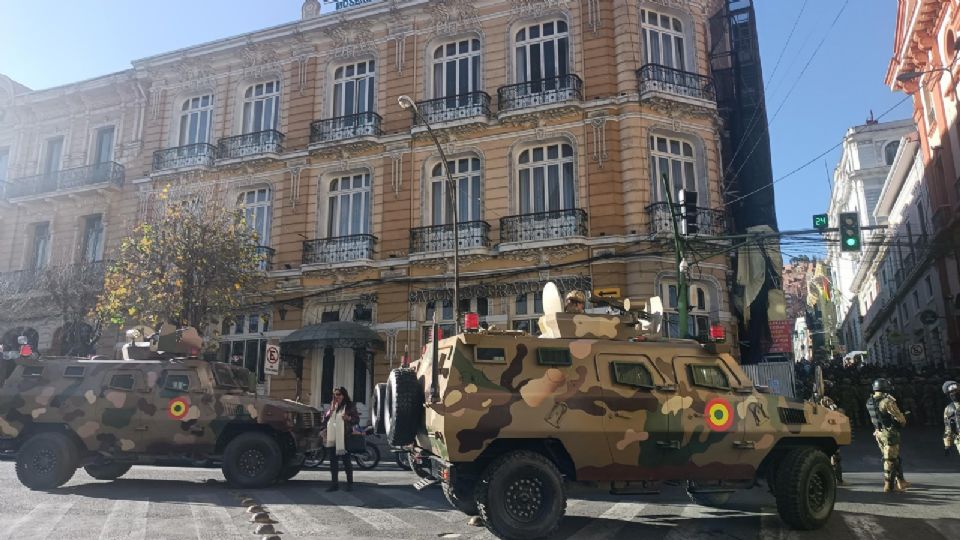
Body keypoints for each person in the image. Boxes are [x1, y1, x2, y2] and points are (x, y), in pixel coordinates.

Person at [865, 378, 909, 492]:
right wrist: (903, 420)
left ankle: (901, 481)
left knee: (894, 457)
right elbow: (900, 418)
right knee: (890, 460)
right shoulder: (887, 401)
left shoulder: (869, 401)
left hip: (878, 433)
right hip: (889, 433)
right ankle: (888, 485)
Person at [322, 386, 359, 492]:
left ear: (344, 395)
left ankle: (350, 484)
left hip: (344, 437)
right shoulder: (333, 406)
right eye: (334, 395)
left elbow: (356, 419)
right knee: (333, 462)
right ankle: (334, 484)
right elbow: (325, 420)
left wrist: (349, 418)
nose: (336, 397)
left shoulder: (349, 406)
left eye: (338, 394)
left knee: (346, 461)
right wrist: (331, 409)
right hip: (333, 437)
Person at [943, 380, 960, 457]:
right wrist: (947, 444)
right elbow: (948, 427)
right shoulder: (949, 409)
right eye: (951, 393)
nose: (955, 394)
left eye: (956, 391)